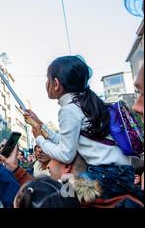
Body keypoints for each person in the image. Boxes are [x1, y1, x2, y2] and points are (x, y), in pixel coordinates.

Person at [24, 56, 134, 199]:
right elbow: (65, 141)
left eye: (47, 79)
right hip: (119, 174)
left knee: (62, 194)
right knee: (65, 186)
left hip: (107, 177)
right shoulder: (82, 103)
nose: (46, 83)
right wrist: (41, 126)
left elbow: (65, 154)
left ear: (56, 84)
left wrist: (39, 138)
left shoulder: (69, 109)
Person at [0, 146, 80, 208]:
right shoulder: (69, 196)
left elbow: (10, 192)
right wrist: (14, 167)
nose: (49, 164)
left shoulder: (61, 196)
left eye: (53, 159)